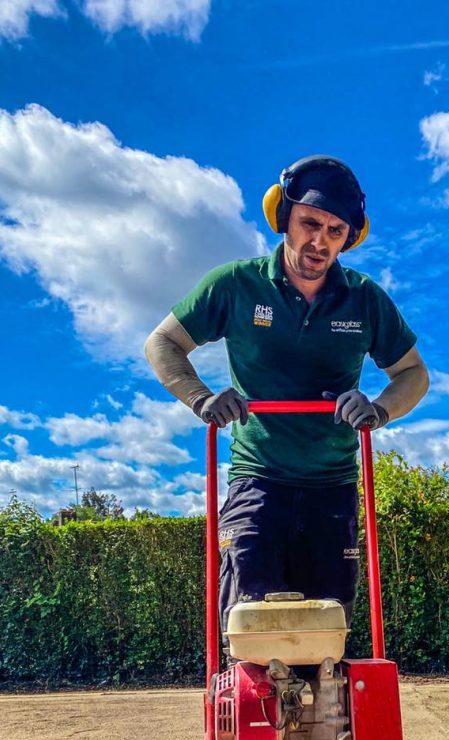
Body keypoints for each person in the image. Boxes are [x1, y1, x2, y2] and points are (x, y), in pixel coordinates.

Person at [144, 155, 429, 642]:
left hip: (332, 486)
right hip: (258, 480)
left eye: (336, 231)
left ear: (349, 238)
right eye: (310, 223)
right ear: (284, 218)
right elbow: (162, 343)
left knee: (326, 634)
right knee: (249, 623)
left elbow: (413, 373)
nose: (320, 242)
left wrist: (379, 409)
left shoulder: (364, 299)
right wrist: (200, 399)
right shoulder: (235, 285)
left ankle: (328, 718)